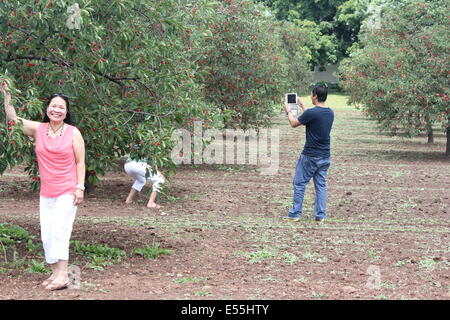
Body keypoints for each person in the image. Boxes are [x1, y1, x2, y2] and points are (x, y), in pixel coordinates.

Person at [1, 81, 85, 291]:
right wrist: (6, 93)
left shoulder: (73, 132)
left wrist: (80, 187)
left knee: (59, 229)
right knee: (47, 232)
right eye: (53, 106)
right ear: (47, 108)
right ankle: (55, 273)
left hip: (67, 189)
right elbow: (12, 118)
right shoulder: (39, 129)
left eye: (61, 107)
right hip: (47, 192)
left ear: (66, 112)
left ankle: (65, 275)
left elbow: (80, 162)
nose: (56, 110)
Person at [284, 84, 334, 222]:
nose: (311, 96)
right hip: (325, 156)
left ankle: (295, 214)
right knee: (321, 185)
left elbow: (294, 123)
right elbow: (312, 117)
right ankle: (320, 215)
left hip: (310, 156)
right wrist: (302, 105)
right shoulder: (330, 112)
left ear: (315, 96)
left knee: (299, 184)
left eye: (312, 94)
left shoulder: (312, 113)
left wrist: (289, 110)